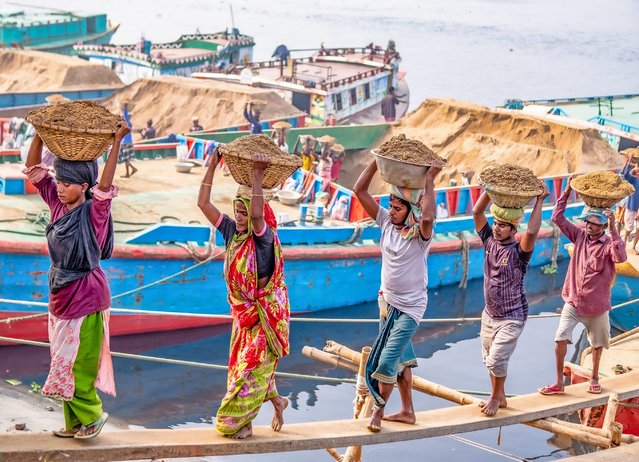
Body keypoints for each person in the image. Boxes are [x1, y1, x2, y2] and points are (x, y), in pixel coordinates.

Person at [22, 123, 129, 439]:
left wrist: (116, 142)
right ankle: (75, 424)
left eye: (68, 183)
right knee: (62, 363)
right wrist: (40, 133)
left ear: (84, 187)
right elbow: (33, 170)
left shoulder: (94, 214)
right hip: (60, 296)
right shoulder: (57, 203)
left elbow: (105, 187)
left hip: (87, 297)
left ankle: (93, 417)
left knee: (79, 367)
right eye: (59, 180)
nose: (59, 186)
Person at [198, 148, 290, 440]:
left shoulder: (263, 239)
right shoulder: (230, 233)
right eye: (237, 211)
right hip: (243, 316)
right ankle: (277, 401)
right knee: (247, 367)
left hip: (264, 318)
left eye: (244, 213)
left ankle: (238, 421)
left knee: (249, 370)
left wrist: (258, 175)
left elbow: (257, 214)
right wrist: (212, 165)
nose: (240, 218)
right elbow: (203, 203)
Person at [354, 158, 440, 433]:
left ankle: (378, 413)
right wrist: (375, 162)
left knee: (387, 360)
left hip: (411, 308)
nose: (391, 211)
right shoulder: (384, 222)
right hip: (386, 304)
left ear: (410, 209)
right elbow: (360, 191)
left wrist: (430, 180)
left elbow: (427, 217)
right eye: (390, 206)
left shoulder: (420, 235)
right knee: (402, 361)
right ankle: (408, 411)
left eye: (397, 207)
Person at [538, 176, 626, 396]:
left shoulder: (608, 244)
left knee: (597, 345)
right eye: (587, 222)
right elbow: (557, 217)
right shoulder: (578, 236)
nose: (588, 227)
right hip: (574, 301)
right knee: (560, 339)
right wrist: (566, 191)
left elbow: (621, 256)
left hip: (597, 307)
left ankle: (594, 378)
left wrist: (615, 229)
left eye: (594, 224)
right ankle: (558, 383)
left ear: (603, 227)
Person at [472, 185, 548, 416]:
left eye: (502, 225)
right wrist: (489, 189)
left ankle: (495, 398)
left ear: (513, 229)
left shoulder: (518, 252)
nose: (496, 228)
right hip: (489, 314)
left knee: (496, 360)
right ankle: (500, 396)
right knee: (488, 359)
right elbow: (477, 213)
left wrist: (539, 201)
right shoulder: (489, 241)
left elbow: (532, 234)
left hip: (511, 316)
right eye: (495, 223)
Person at [621, 152, 639, 253]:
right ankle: (624, 241)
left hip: (637, 208)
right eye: (636, 172)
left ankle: (633, 246)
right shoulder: (633, 180)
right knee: (628, 227)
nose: (637, 173)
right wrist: (629, 160)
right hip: (631, 207)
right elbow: (625, 175)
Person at [117, 103, 137, 178]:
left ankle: (128, 173)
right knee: (125, 158)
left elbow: (125, 116)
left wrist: (125, 108)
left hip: (126, 143)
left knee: (126, 159)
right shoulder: (128, 124)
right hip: (126, 142)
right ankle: (132, 169)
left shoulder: (128, 123)